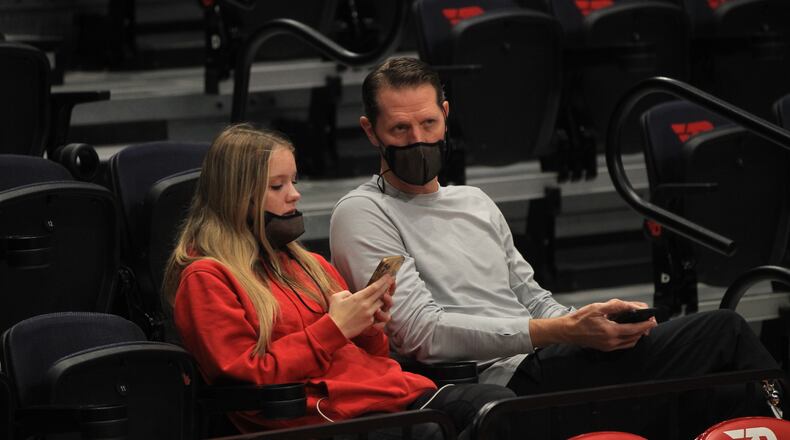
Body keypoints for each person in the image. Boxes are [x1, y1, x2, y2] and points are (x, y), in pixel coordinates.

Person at [329, 56, 784, 437]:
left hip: (547, 361)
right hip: (493, 384)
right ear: (372, 132)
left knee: (719, 383)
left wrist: (591, 322)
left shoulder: (474, 201)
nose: (418, 140)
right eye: (400, 129)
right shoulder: (362, 212)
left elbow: (534, 299)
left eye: (428, 123)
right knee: (722, 332)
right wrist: (562, 332)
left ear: (446, 115)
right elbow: (421, 334)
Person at [162, 124, 514, 438]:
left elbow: (371, 356)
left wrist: (369, 326)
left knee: (495, 407)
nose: (295, 195)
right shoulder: (206, 278)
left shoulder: (309, 263)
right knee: (427, 432)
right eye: (277, 186)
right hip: (316, 416)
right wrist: (333, 328)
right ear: (237, 196)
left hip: (383, 395)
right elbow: (246, 378)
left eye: (293, 182)